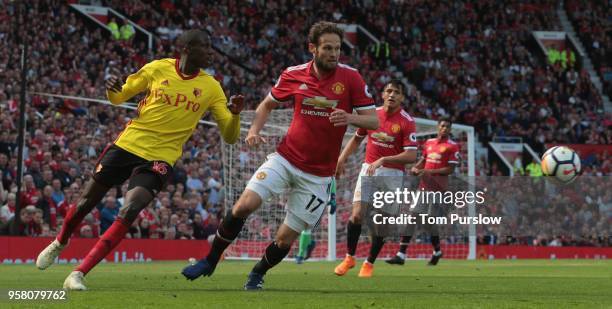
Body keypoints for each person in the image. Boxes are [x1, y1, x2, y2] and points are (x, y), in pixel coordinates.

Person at [35, 29, 245, 290]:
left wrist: (234, 115)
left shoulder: (212, 87)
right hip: (129, 144)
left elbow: (230, 135)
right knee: (84, 204)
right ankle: (60, 242)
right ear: (187, 49)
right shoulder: (157, 69)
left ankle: (78, 273)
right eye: (206, 46)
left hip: (161, 156)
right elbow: (119, 97)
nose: (211, 52)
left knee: (130, 208)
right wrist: (113, 91)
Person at [181, 21, 378, 290]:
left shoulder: (351, 78)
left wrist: (350, 116)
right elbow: (267, 104)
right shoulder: (294, 74)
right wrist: (253, 130)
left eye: (338, 48)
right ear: (313, 48)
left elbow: (374, 122)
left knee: (285, 239)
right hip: (285, 158)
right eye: (328, 48)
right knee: (242, 206)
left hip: (319, 175)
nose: (334, 53)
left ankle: (258, 272)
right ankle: (211, 259)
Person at [333, 80, 418, 277]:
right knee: (356, 215)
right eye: (388, 91)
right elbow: (356, 139)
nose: (392, 95)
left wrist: (384, 159)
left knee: (382, 223)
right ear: (382, 94)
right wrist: (341, 159)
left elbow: (411, 156)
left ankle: (369, 262)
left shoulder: (407, 121)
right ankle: (349, 258)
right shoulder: (373, 116)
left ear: (402, 98)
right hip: (368, 169)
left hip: (393, 174)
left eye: (396, 92)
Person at [386, 117, 460, 266]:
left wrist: (428, 172)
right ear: (438, 127)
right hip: (423, 188)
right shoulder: (429, 143)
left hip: (438, 189)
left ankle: (437, 250)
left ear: (450, 130)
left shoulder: (453, 146)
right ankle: (401, 254)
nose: (444, 128)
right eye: (442, 126)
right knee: (413, 218)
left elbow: (450, 169)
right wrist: (417, 168)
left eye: (447, 127)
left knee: (429, 223)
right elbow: (423, 160)